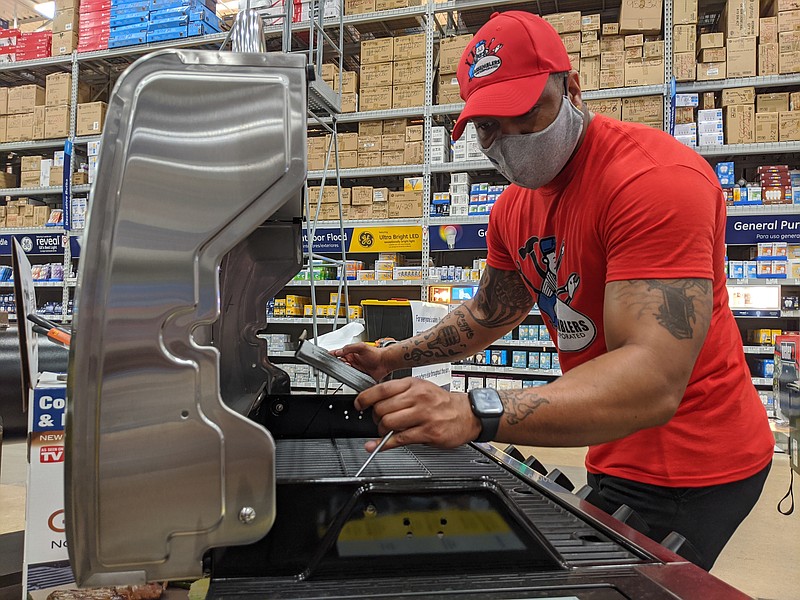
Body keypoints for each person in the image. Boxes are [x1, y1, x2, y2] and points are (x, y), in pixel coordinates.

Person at [334, 10, 774, 571]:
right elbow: (491, 313)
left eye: (524, 114)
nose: (510, 140)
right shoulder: (513, 207)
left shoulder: (653, 180)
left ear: (572, 89)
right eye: (490, 126)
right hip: (607, 442)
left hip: (696, 464)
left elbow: (652, 378)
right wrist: (389, 357)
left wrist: (474, 409)